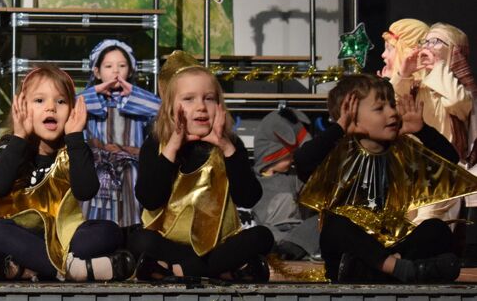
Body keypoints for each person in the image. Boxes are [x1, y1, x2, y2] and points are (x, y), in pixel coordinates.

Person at [295, 73, 477, 283]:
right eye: (379, 109)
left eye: (392, 105)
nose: (392, 113)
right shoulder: (337, 152)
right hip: (350, 253)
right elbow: (302, 161)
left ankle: (386, 271)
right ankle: (398, 269)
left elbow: (450, 160)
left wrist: (423, 131)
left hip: (391, 245)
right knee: (336, 226)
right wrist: (339, 129)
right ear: (352, 116)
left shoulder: (401, 150)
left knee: (437, 230)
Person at [0, 65, 135, 282]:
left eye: (61, 102)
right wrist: (20, 137)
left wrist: (75, 138)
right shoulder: (11, 144)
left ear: (72, 111)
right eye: (39, 100)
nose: (51, 108)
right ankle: (72, 270)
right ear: (22, 108)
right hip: (18, 234)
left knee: (108, 231)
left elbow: (86, 190)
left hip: (62, 237)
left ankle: (30, 269)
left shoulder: (74, 149)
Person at [129, 52, 274, 282]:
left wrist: (227, 148)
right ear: (170, 107)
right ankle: (221, 271)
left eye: (209, 98)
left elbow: (249, 198)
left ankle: (177, 270)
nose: (201, 107)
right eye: (189, 99)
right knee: (139, 240)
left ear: (220, 105)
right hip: (168, 240)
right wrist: (172, 148)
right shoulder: (157, 144)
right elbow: (150, 199)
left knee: (262, 237)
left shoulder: (230, 144)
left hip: (217, 243)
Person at [392, 23, 474, 228]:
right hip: (411, 168)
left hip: (443, 170)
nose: (427, 46)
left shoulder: (458, 89)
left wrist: (438, 67)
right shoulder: (418, 87)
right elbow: (392, 105)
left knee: (424, 222)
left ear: (453, 52)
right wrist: (404, 73)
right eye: (425, 41)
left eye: (435, 41)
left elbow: (457, 102)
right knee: (399, 222)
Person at [80, 39, 161, 227]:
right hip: (98, 165)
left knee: (132, 175)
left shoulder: (137, 102)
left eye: (122, 66)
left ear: (130, 71)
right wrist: (96, 90)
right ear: (97, 72)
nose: (115, 71)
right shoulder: (90, 101)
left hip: (132, 165)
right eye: (108, 66)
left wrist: (133, 92)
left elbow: (163, 110)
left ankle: (132, 227)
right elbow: (69, 106)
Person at [253, 107, 321, 261]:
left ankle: (294, 246)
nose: (292, 160)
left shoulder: (292, 177)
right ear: (272, 156)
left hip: (297, 230)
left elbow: (310, 193)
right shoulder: (253, 182)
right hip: (271, 231)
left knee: (322, 220)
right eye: (288, 156)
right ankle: (286, 248)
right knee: (261, 233)